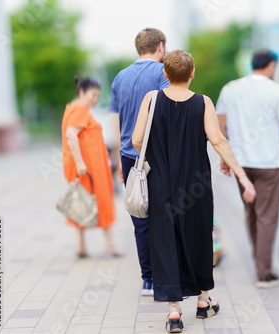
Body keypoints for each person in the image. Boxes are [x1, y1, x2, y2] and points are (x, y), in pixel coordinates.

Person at [132, 50, 256, 333]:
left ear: (165, 74)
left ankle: (174, 313)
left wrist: (157, 158)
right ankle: (203, 300)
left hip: (160, 185)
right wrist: (242, 176)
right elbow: (219, 141)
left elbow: (137, 139)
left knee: (165, 243)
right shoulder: (203, 102)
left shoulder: (152, 99)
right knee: (198, 238)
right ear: (192, 73)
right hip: (195, 185)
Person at [216, 49, 279, 288]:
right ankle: (264, 272)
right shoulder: (276, 91)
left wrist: (226, 155)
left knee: (252, 213)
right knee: (267, 217)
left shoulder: (230, 89)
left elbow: (220, 127)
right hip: (268, 164)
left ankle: (260, 260)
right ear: (271, 66)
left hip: (241, 165)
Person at [109, 27, 169, 296]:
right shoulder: (161, 72)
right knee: (164, 215)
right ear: (161, 47)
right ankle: (169, 274)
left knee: (139, 217)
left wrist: (117, 155)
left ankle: (149, 280)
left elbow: (115, 118)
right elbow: (170, 108)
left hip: (127, 155)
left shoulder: (120, 77)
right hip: (156, 153)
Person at [62, 77, 118, 258]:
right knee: (100, 199)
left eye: (97, 96)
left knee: (81, 201)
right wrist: (80, 163)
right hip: (88, 168)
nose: (95, 99)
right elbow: (71, 135)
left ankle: (81, 245)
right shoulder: (80, 110)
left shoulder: (73, 108)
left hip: (85, 166)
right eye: (93, 95)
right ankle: (109, 243)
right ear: (82, 92)